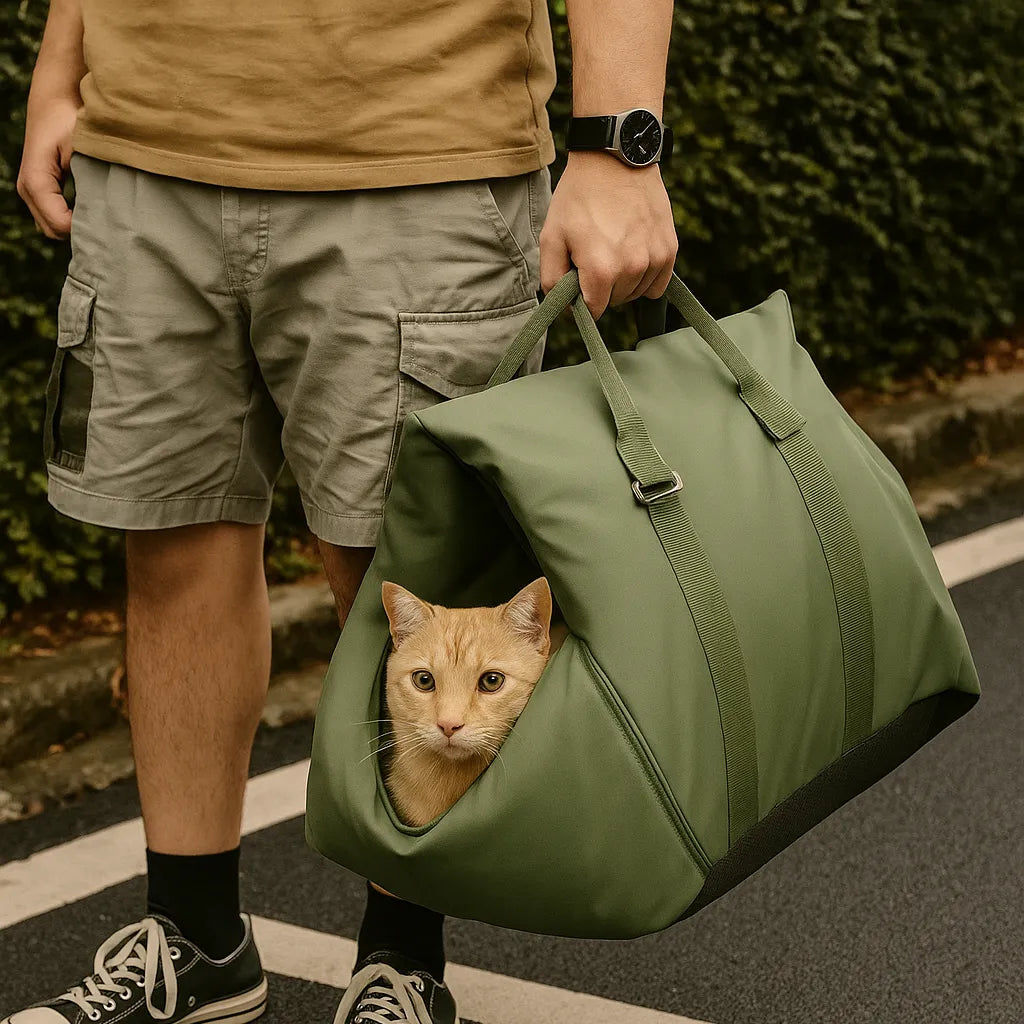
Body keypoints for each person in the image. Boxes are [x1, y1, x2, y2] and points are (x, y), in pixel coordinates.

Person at [9, 1, 678, 1021]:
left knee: (406, 575)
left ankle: (402, 963)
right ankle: (195, 943)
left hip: (418, 149)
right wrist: (65, 62)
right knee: (172, 542)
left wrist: (621, 143)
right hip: (147, 143)